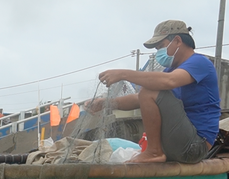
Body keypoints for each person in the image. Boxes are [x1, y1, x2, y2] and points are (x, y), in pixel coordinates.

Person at [89, 20, 220, 163]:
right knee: (148, 92)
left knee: (149, 89)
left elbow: (169, 81)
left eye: (161, 47)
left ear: (177, 40)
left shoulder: (200, 63)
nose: (159, 53)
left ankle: (153, 152)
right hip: (179, 142)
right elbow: (139, 98)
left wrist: (123, 74)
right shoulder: (171, 70)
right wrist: (106, 103)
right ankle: (153, 151)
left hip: (195, 146)